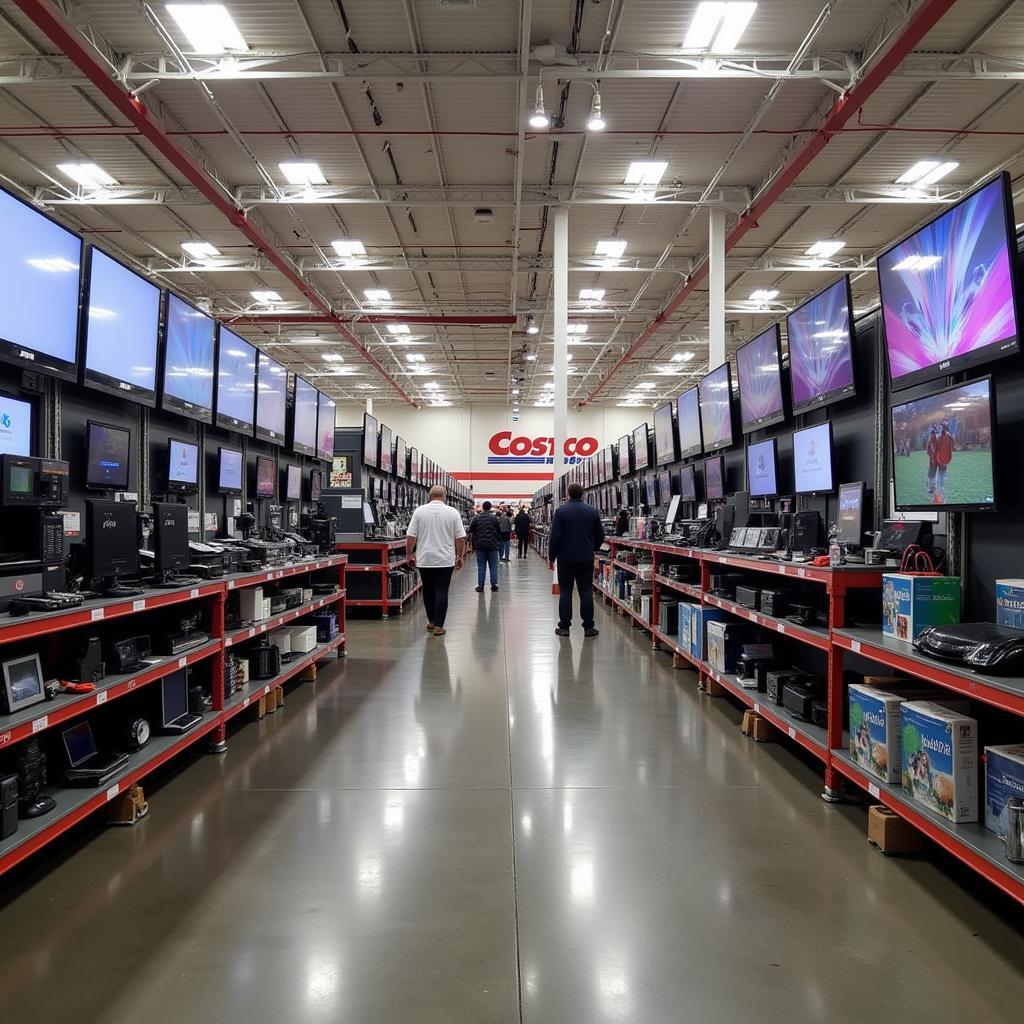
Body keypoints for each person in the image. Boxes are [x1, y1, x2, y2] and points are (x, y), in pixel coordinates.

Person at [406, 485, 466, 637]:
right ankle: (439, 626)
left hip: (425, 559)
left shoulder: (419, 511)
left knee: (428, 590)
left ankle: (431, 621)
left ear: (429, 496)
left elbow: (410, 537)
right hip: (445, 560)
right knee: (441, 590)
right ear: (444, 496)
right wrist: (460, 555)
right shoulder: (453, 512)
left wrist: (409, 555)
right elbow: (460, 537)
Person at [548, 481, 605, 638]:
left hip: (565, 558)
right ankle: (588, 628)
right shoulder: (592, 511)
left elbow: (555, 537)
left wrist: (551, 557)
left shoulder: (560, 512)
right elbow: (600, 535)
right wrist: (592, 548)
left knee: (565, 592)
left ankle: (564, 627)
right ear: (583, 494)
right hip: (586, 557)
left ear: (568, 494)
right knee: (586, 591)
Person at [468, 500, 501, 592]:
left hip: (480, 545)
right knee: (494, 566)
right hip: (493, 546)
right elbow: (499, 531)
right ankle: (494, 584)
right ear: (490, 508)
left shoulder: (476, 518)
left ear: (483, 507)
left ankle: (480, 586)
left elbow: (470, 529)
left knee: (481, 566)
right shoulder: (494, 518)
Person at [934, 421, 954, 503]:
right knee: (941, 476)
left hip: (941, 460)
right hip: (944, 460)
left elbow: (937, 448)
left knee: (940, 476)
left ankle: (939, 494)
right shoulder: (949, 437)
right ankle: (940, 494)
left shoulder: (942, 437)